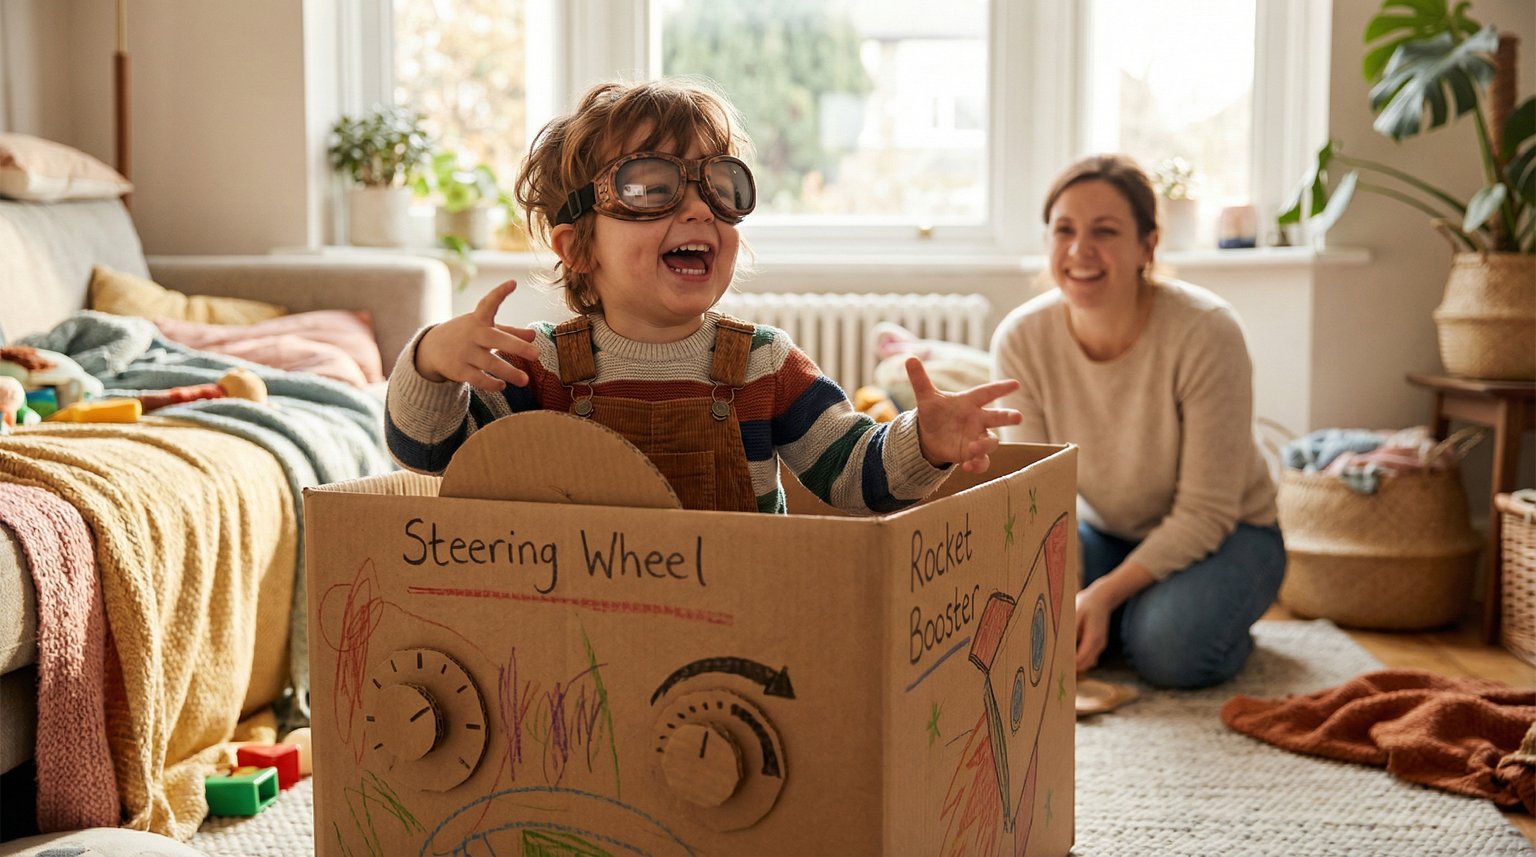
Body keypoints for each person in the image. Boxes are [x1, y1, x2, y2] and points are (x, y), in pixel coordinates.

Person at [386, 78, 1021, 515]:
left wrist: (926, 442)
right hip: (578, 629)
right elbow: (431, 454)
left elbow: (854, 476)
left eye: (720, 185)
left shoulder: (765, 366)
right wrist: (431, 363)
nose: (697, 208)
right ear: (579, 248)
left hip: (739, 622)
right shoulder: (539, 368)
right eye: (649, 186)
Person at [990, 154, 1284, 690]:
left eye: (1105, 231)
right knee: (1021, 612)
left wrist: (1099, 596)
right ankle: (1137, 613)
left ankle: (1182, 621)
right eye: (1065, 230)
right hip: (1109, 532)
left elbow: (1206, 512)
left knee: (1168, 651)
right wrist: (1067, 594)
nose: (1080, 250)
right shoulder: (1021, 339)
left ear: (1148, 246)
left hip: (1234, 534)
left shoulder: (1206, 332)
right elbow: (1040, 502)